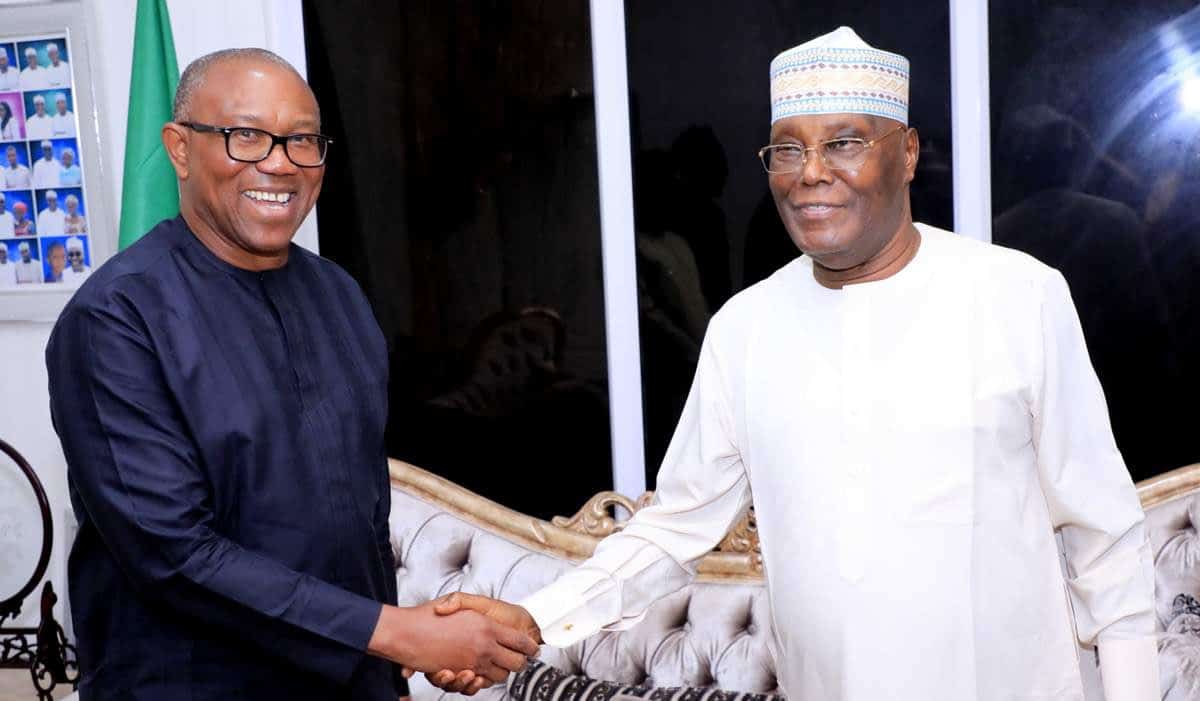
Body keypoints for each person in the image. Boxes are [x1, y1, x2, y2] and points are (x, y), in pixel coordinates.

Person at [427, 27, 1161, 701]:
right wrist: (536, 615)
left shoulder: (1018, 296)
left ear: (906, 154)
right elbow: (675, 526)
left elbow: (1105, 535)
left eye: (843, 143)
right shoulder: (744, 329)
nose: (810, 172)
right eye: (787, 149)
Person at [45, 48, 537, 701]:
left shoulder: (339, 295)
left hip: (351, 679)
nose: (280, 162)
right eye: (246, 135)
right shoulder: (115, 321)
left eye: (302, 140)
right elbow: (173, 555)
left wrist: (405, 654)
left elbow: (360, 519)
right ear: (180, 148)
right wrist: (399, 633)